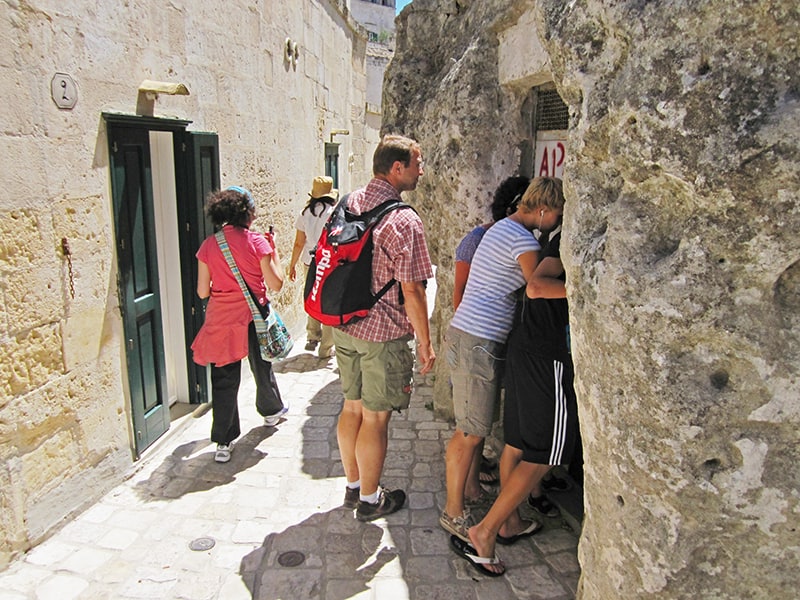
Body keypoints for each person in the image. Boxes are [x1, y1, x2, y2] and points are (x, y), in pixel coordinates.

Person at [454, 186, 575, 577]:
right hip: (534, 350)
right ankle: (485, 528)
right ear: (545, 210)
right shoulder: (533, 241)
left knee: (516, 443)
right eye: (555, 214)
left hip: (516, 344)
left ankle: (507, 523)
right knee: (547, 453)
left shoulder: (502, 230)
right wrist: (583, 293)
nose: (555, 221)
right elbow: (537, 286)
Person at [333, 134, 435, 521]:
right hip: (382, 334)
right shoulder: (403, 219)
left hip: (345, 326)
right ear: (397, 168)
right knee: (376, 418)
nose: (421, 170)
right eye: (417, 163)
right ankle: (372, 500)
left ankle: (354, 486)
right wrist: (424, 343)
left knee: (351, 407)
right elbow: (412, 289)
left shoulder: (349, 202)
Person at [191, 186, 287, 463]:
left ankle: (224, 440)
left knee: (224, 378)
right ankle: (271, 411)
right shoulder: (258, 243)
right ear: (247, 213)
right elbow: (276, 283)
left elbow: (202, 292)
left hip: (222, 319)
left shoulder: (210, 245)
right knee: (262, 364)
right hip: (253, 316)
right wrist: (274, 251)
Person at [452, 175, 530, 496]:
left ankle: (470, 484)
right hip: (474, 338)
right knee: (470, 425)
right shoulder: (481, 239)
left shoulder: (502, 235)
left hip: (485, 338)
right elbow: (461, 293)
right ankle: (463, 492)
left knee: (477, 420)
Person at [288, 176, 338, 359]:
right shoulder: (334, 212)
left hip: (309, 262)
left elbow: (299, 243)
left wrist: (292, 265)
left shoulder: (305, 213)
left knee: (312, 294)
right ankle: (326, 346)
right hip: (328, 262)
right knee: (328, 300)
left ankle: (312, 335)